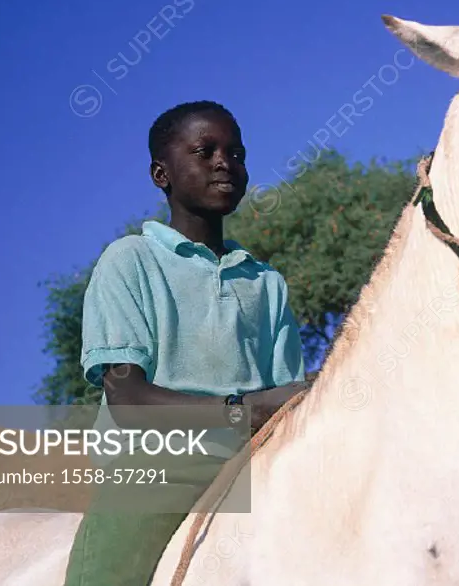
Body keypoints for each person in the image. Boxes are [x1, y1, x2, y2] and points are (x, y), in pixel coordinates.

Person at [64, 100, 308, 586]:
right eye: (205, 151)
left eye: (236, 153)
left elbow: (289, 400)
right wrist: (243, 410)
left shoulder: (266, 283)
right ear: (162, 174)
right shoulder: (129, 261)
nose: (225, 163)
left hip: (252, 472)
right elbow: (129, 399)